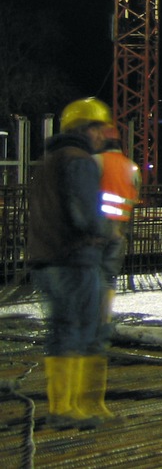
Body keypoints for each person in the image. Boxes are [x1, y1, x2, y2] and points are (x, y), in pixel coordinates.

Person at [27, 97, 116, 428]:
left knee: (62, 330)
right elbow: (86, 212)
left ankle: (62, 405)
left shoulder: (48, 160)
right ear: (87, 130)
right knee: (85, 328)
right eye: (99, 129)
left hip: (45, 259)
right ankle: (80, 407)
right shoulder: (80, 161)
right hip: (76, 258)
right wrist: (103, 230)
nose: (103, 136)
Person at [96, 127, 140, 329]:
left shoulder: (95, 161)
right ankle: (104, 319)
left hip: (96, 227)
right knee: (109, 276)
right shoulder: (131, 167)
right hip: (119, 230)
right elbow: (134, 196)